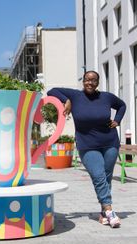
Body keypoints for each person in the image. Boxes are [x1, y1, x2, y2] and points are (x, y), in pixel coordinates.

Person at [47, 70, 126, 228]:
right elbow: (52, 91)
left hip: (110, 142)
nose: (90, 83)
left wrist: (117, 121)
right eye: (87, 80)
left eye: (93, 80)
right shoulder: (76, 96)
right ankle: (110, 211)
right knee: (98, 176)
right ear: (83, 81)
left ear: (98, 82)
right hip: (87, 145)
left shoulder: (106, 97)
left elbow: (122, 105)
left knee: (106, 177)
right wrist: (67, 99)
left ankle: (103, 212)